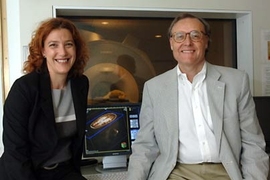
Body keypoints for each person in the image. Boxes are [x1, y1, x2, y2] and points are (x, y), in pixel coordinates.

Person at [127, 13, 269, 180]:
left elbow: (253, 143)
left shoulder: (236, 81)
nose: (187, 42)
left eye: (195, 35)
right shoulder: (154, 88)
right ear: (171, 43)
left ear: (206, 41)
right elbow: (144, 146)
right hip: (176, 172)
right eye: (180, 36)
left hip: (225, 171)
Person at [0, 17, 89, 180]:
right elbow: (15, 152)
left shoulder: (80, 84)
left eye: (68, 44)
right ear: (42, 51)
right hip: (26, 172)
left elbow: (75, 141)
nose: (62, 52)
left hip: (64, 172)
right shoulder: (24, 89)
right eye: (53, 45)